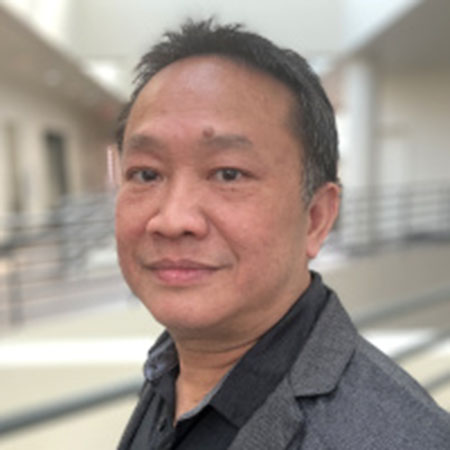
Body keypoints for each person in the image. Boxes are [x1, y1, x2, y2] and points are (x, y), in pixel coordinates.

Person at [114, 19, 449, 449]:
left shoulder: (401, 438)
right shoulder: (171, 370)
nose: (172, 219)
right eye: (146, 173)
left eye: (228, 173)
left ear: (316, 218)